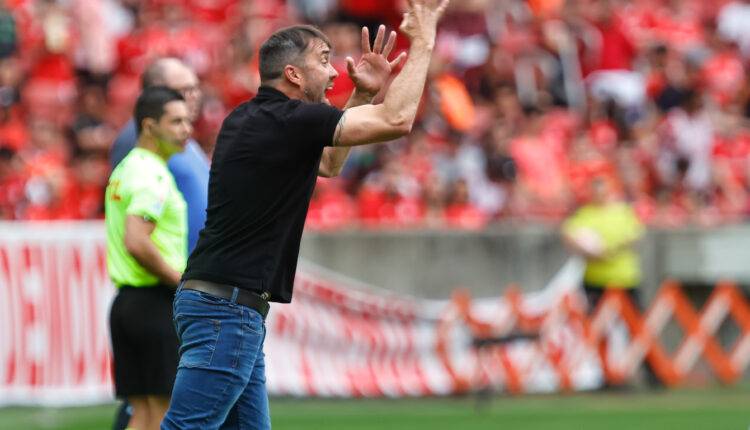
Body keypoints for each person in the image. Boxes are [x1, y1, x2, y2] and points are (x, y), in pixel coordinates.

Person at [162, 0, 450, 428]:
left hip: (220, 305)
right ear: (293, 75)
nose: (335, 72)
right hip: (228, 310)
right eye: (324, 60)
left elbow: (330, 164)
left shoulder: (249, 118)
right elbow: (398, 119)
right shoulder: (288, 121)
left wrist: (365, 92)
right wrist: (424, 41)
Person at [106, 86, 193, 430]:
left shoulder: (127, 168)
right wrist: (182, 283)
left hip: (128, 304)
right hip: (154, 304)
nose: (186, 129)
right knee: (164, 412)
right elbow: (137, 242)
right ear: (149, 126)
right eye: (175, 121)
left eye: (187, 120)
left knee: (142, 413)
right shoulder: (151, 175)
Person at [561, 175, 660, 388]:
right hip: (596, 279)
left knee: (637, 327)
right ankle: (605, 374)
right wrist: (590, 252)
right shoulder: (584, 215)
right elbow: (569, 236)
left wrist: (610, 251)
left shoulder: (622, 212)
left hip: (625, 278)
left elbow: (636, 237)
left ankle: (653, 373)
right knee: (599, 329)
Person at [110, 57, 209, 253]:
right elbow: (133, 217)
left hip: (197, 271)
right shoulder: (137, 137)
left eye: (196, 88)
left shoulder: (184, 140)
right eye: (185, 90)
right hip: (169, 274)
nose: (195, 96)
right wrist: (170, 275)